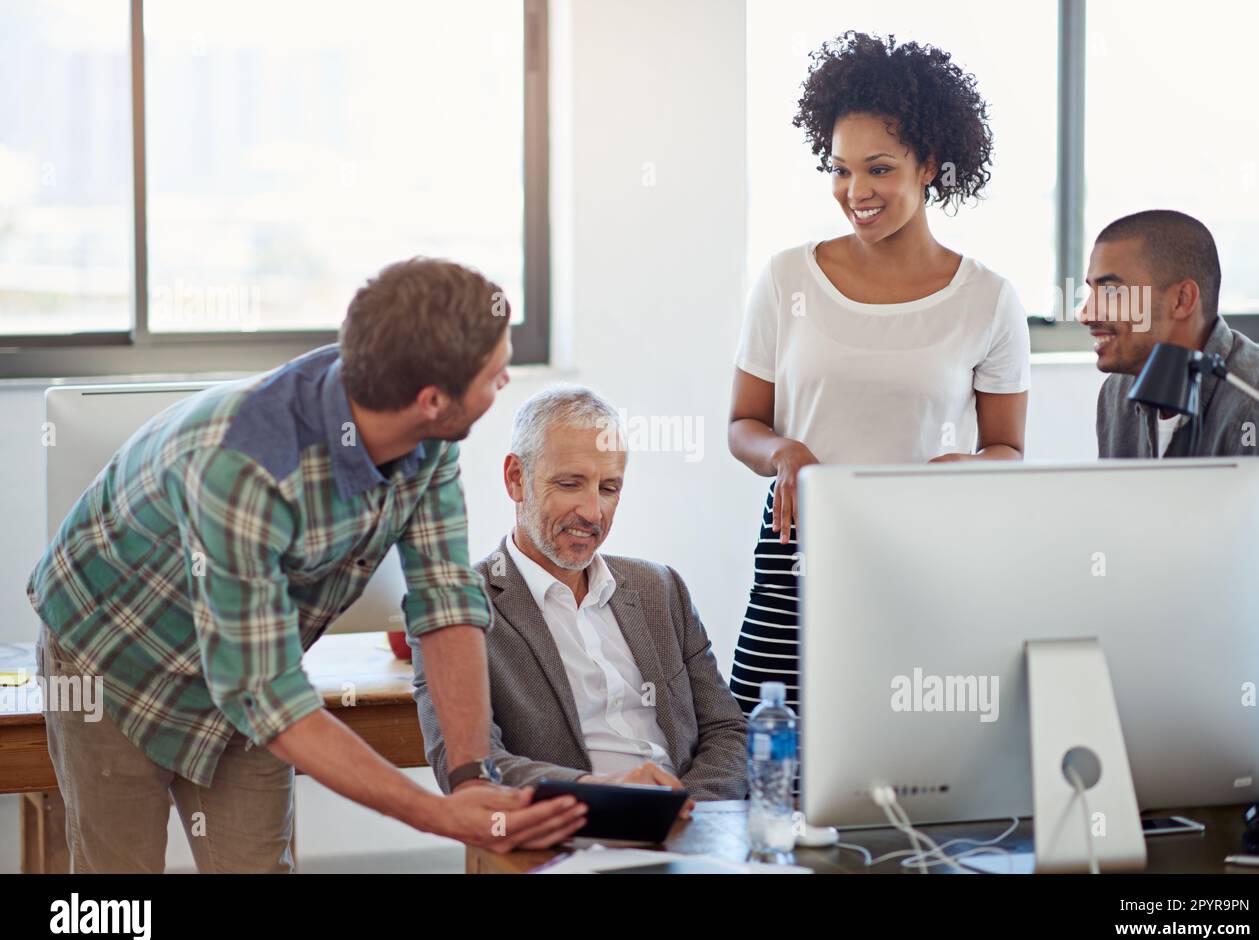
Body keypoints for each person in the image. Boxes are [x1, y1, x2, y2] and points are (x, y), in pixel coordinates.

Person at [27, 257, 586, 872]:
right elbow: (265, 693)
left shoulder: (428, 440)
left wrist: (470, 778)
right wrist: (436, 813)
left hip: (251, 666)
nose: (505, 381)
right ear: (431, 399)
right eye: (496, 373)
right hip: (115, 655)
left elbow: (445, 605)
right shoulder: (243, 467)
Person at [728, 32, 1030, 717]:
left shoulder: (987, 298)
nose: (855, 192)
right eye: (839, 170)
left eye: (879, 169)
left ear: (928, 164)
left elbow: (1009, 450)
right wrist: (785, 451)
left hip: (923, 561)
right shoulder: (786, 279)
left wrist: (968, 470)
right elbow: (741, 425)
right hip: (794, 558)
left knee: (913, 760)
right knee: (765, 758)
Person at [414, 386, 748, 806]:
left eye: (609, 488)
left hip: (694, 830)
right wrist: (610, 800)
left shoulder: (661, 589)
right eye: (571, 484)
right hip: (565, 838)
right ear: (516, 478)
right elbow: (468, 767)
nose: (593, 513)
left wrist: (687, 812)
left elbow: (725, 729)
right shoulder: (455, 608)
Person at [1083, 209, 1259, 781]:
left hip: (1256, 747)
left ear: (1182, 300)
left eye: (1110, 292)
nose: (1087, 314)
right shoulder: (1117, 395)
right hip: (1155, 718)